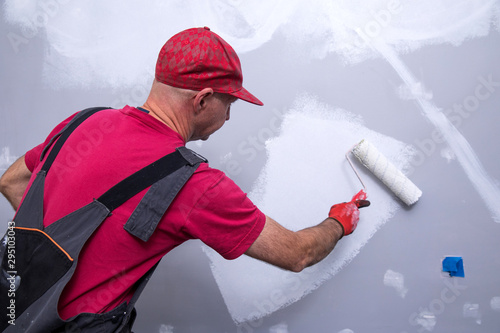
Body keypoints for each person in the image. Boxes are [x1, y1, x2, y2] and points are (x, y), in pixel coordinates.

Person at [0, 27, 369, 329]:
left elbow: (11, 182)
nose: (228, 117)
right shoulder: (195, 184)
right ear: (203, 99)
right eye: (230, 103)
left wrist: (51, 256)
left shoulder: (86, 121)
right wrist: (339, 221)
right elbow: (297, 253)